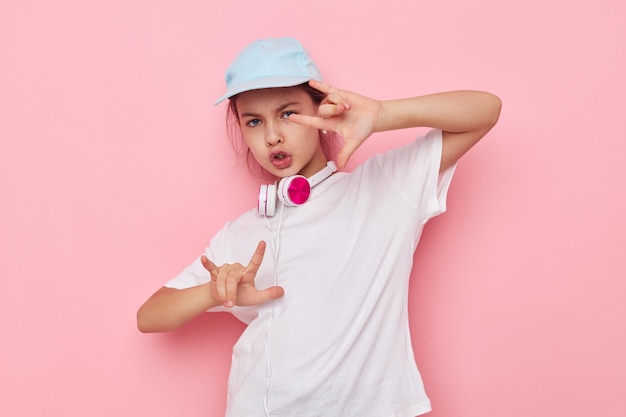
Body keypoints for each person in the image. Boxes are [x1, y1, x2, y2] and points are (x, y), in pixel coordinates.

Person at [137, 37, 501, 417]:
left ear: (321, 112)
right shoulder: (243, 231)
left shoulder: (383, 189)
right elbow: (150, 316)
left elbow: (486, 110)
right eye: (254, 121)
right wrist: (215, 292)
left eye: (289, 114)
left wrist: (381, 115)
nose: (272, 135)